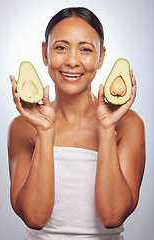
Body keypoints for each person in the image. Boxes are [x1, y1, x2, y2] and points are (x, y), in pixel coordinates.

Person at [8, 7, 145, 240]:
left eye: (86, 50)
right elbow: (35, 218)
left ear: (101, 57)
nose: (72, 61)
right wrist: (44, 131)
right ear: (45, 53)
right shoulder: (23, 127)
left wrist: (106, 128)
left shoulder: (128, 124)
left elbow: (113, 217)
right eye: (60, 47)